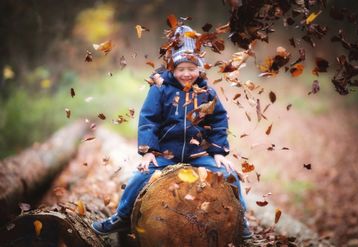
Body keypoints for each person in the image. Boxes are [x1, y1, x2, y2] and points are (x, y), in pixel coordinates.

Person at [91, 25, 252, 239]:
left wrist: (218, 152)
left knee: (230, 175)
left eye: (191, 69)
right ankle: (121, 217)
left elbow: (219, 120)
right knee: (140, 176)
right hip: (167, 154)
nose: (186, 74)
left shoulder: (207, 92)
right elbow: (149, 119)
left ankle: (241, 222)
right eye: (181, 69)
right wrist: (149, 152)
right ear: (172, 70)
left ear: (200, 69)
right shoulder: (160, 89)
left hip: (199, 155)